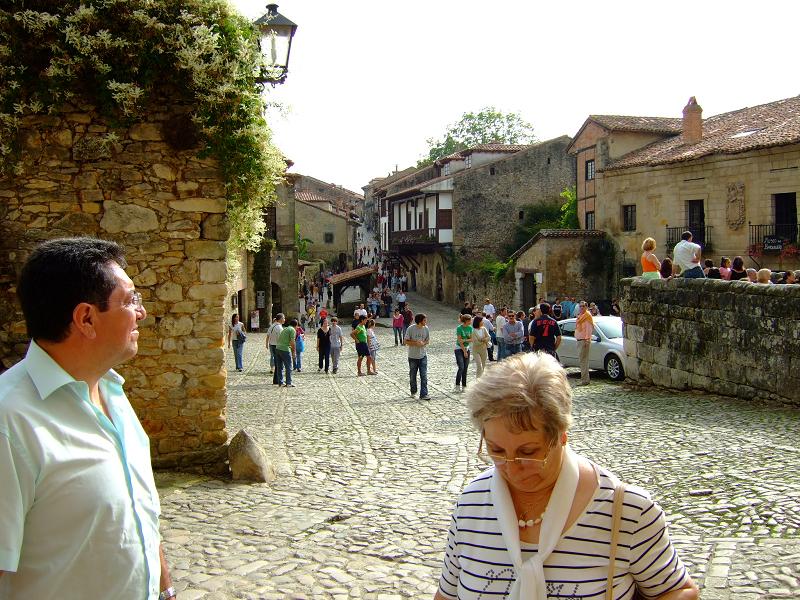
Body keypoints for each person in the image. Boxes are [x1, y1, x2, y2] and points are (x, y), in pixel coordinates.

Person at [435, 352, 698, 600]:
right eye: (496, 450)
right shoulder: (471, 503)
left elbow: (679, 592)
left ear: (561, 435)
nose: (512, 469)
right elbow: (446, 595)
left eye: (529, 451)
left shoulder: (627, 511)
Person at [0, 238, 175, 599]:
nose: (141, 312)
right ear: (86, 319)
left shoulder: (111, 389)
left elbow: (140, 513)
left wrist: (166, 590)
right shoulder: (10, 421)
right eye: (130, 300)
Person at [406, 313, 430, 400]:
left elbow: (427, 340)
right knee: (413, 375)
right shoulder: (411, 328)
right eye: (424, 320)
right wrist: (415, 343)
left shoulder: (426, 328)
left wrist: (423, 343)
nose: (426, 321)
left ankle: (424, 394)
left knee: (424, 375)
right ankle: (413, 391)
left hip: (423, 356)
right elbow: (406, 341)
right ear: (420, 321)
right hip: (412, 356)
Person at [575, 301, 594, 386]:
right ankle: (585, 379)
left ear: (586, 307)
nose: (581, 308)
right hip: (580, 340)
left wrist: (587, 340)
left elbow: (588, 330)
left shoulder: (587, 316)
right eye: (580, 306)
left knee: (583, 361)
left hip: (584, 341)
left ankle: (585, 380)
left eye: (583, 306)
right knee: (582, 361)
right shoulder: (581, 316)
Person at [274, 318, 297, 387]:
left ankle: (280, 382)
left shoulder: (285, 328)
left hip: (278, 348)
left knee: (279, 367)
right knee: (288, 366)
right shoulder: (292, 330)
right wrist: (294, 352)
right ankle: (288, 382)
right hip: (285, 349)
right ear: (296, 325)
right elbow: (292, 342)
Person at [454, 313, 473, 392]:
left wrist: (465, 340)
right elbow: (459, 341)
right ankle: (457, 385)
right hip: (459, 349)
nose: (471, 321)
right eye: (470, 320)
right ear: (466, 321)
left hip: (467, 348)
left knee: (465, 368)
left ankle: (464, 385)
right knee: (461, 367)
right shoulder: (459, 328)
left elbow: (471, 339)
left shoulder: (470, 328)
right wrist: (464, 351)